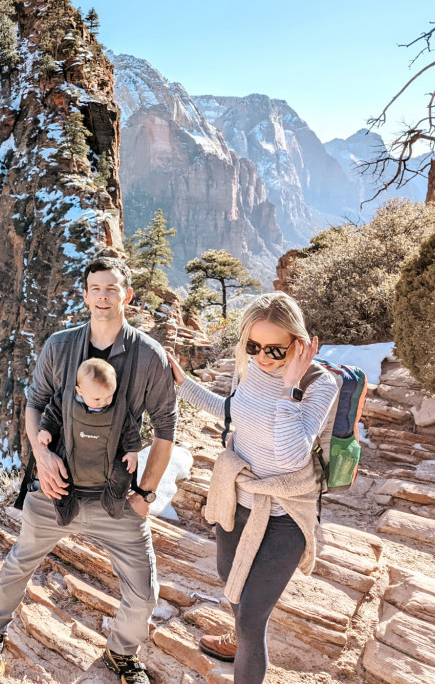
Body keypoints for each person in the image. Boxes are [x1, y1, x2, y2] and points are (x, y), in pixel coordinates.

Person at [0, 256, 177, 684]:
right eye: (95, 289)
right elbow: (34, 403)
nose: (103, 297)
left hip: (115, 497)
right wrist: (42, 458)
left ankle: (122, 653)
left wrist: (147, 495)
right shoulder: (60, 347)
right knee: (18, 564)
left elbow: (165, 428)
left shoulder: (147, 356)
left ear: (127, 296)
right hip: (56, 488)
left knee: (144, 590)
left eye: (112, 289)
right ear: (85, 295)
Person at [166, 292, 337, 684]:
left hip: (286, 511)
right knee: (233, 588)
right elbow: (233, 411)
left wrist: (290, 387)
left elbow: (293, 453)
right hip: (238, 497)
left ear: (297, 342)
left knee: (252, 618)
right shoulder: (251, 370)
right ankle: (239, 637)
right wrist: (183, 384)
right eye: (253, 345)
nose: (263, 357)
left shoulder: (317, 384)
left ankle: (243, 643)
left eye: (275, 349)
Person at [34, 357, 141, 525]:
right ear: (80, 391)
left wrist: (132, 451)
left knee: (124, 472)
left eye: (109, 396)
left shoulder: (118, 408)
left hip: (107, 458)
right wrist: (45, 429)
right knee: (58, 476)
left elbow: (130, 429)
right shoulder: (66, 398)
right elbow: (52, 413)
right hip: (72, 456)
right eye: (97, 399)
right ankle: (66, 508)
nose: (104, 402)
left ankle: (113, 501)